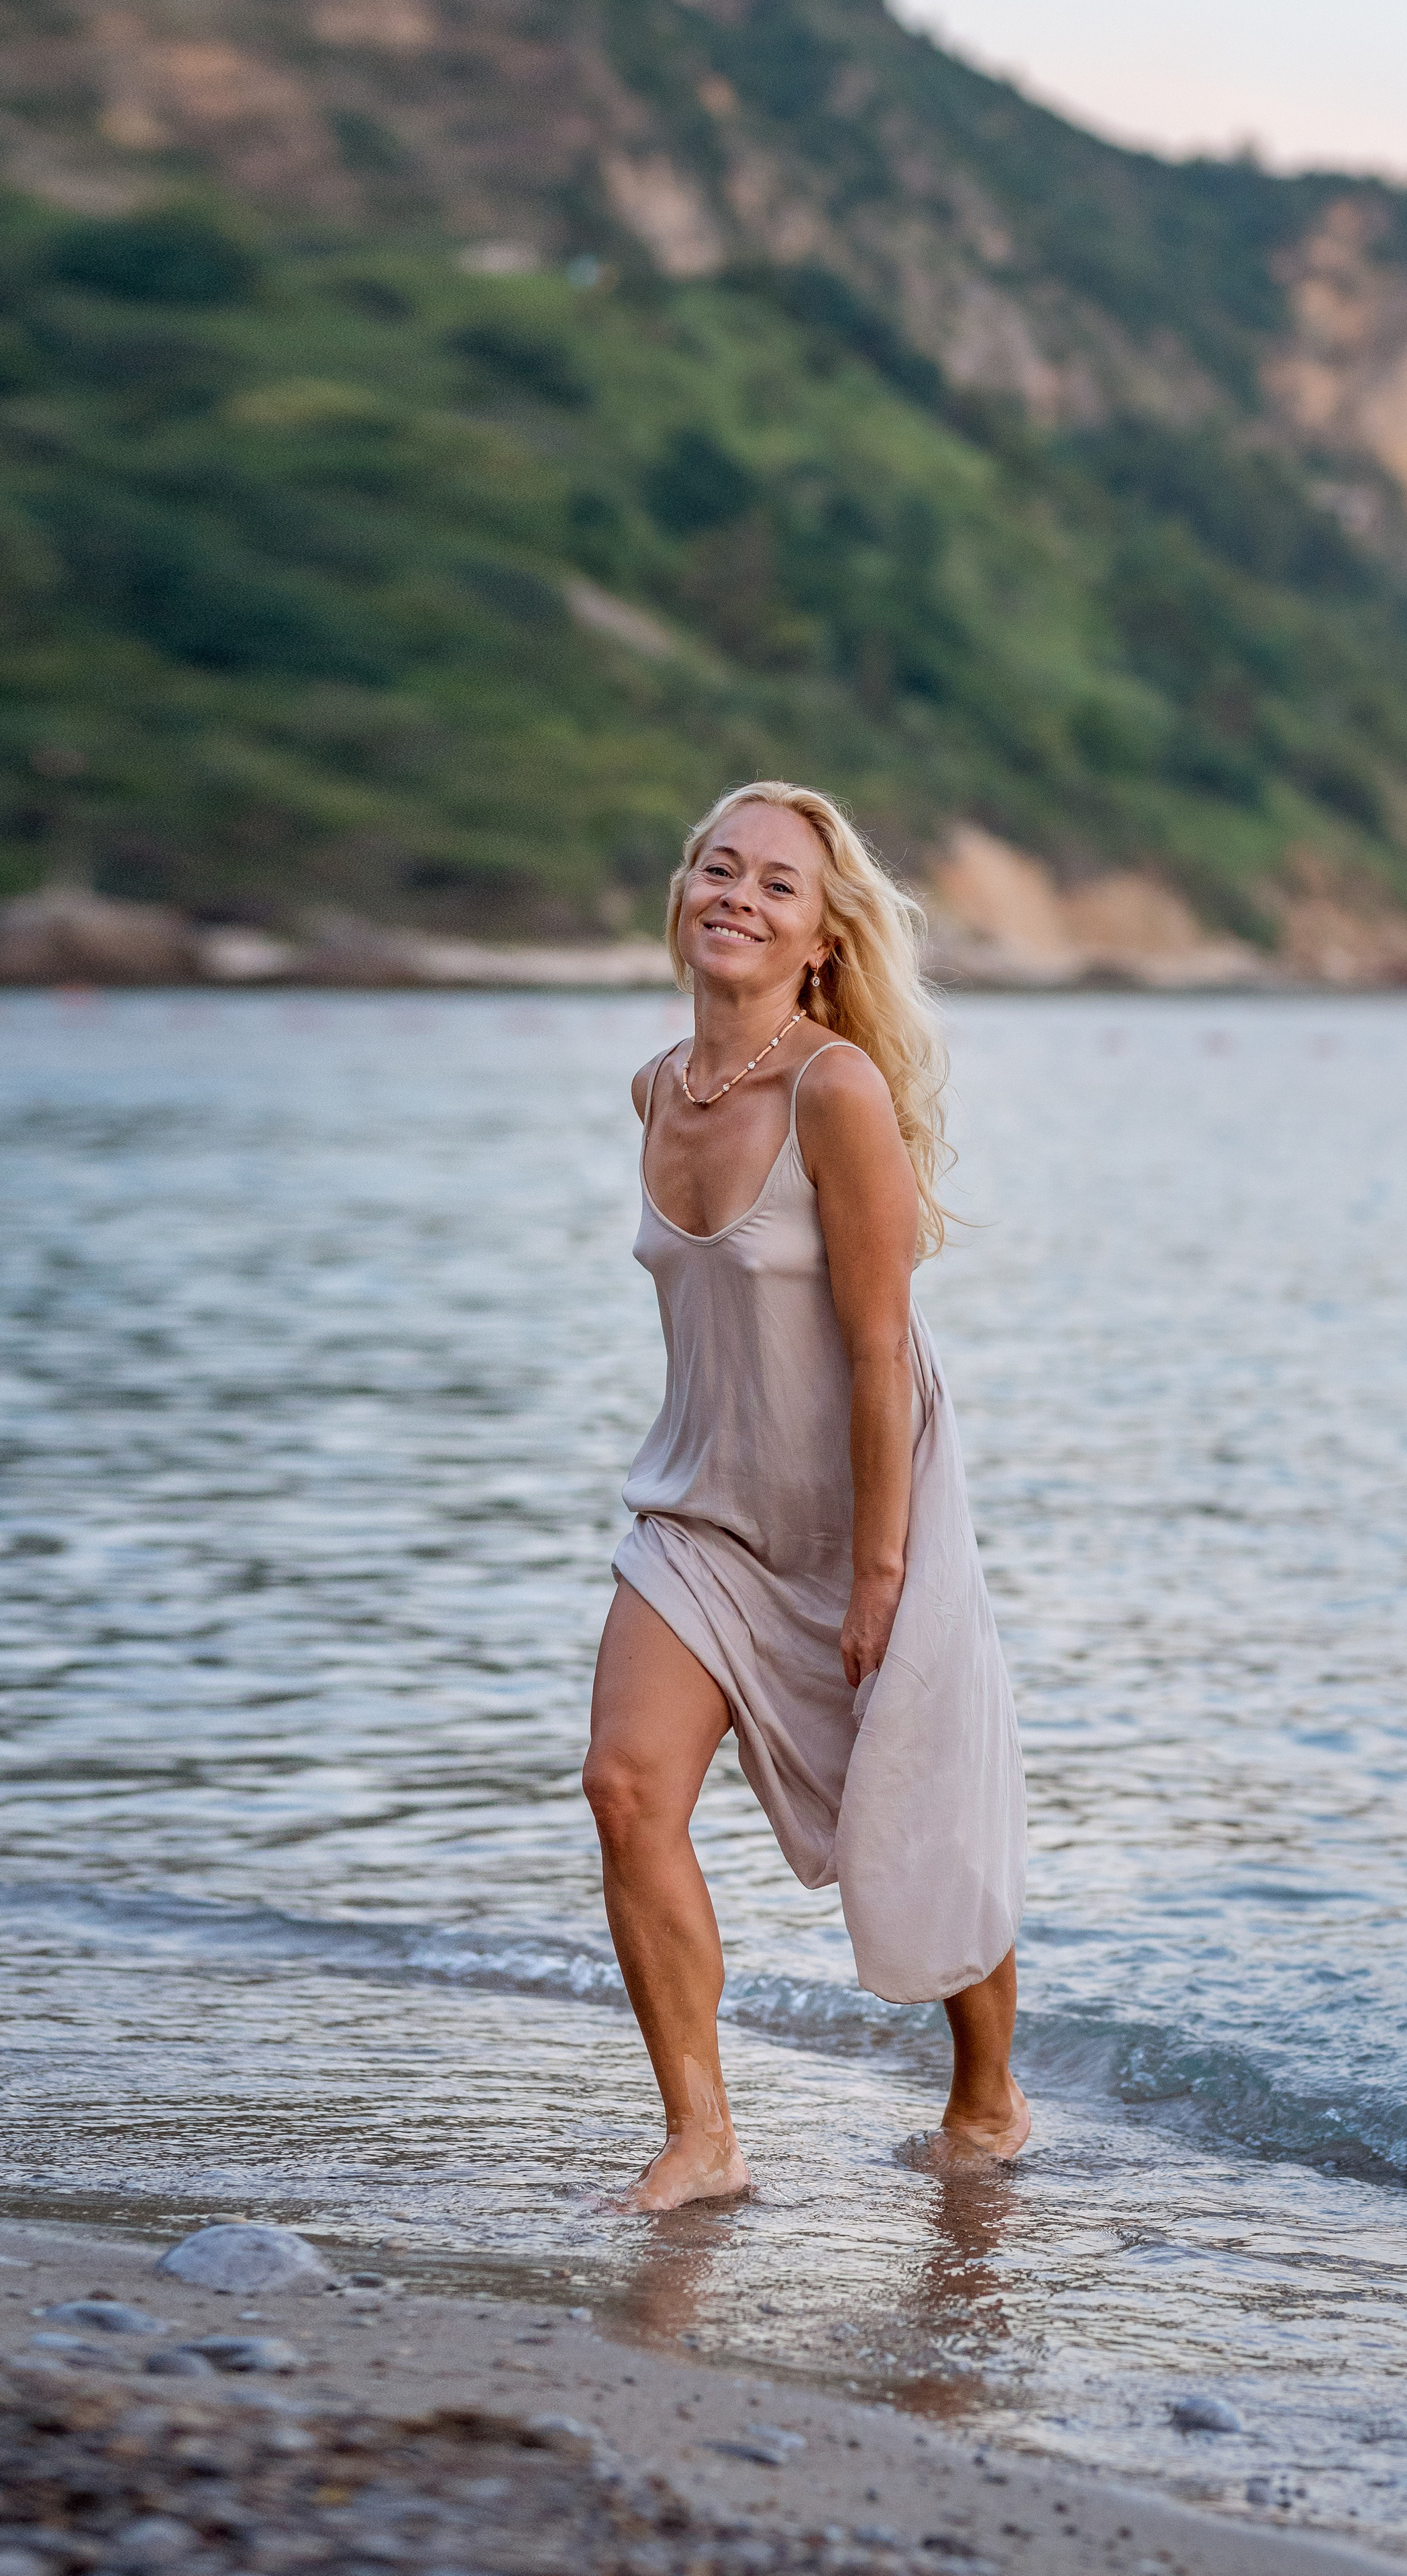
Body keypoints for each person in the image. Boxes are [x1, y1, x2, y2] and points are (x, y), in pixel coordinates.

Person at [585, 781, 1027, 2212]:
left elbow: (876, 1346)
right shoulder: (657, 1088)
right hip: (700, 1510)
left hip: (864, 1507)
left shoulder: (834, 1092)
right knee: (624, 1786)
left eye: (777, 885)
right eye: (718, 868)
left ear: (820, 940)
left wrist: (883, 1571)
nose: (738, 896)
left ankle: (987, 2096)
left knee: (918, 1825)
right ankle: (702, 2134)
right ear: (680, 896)